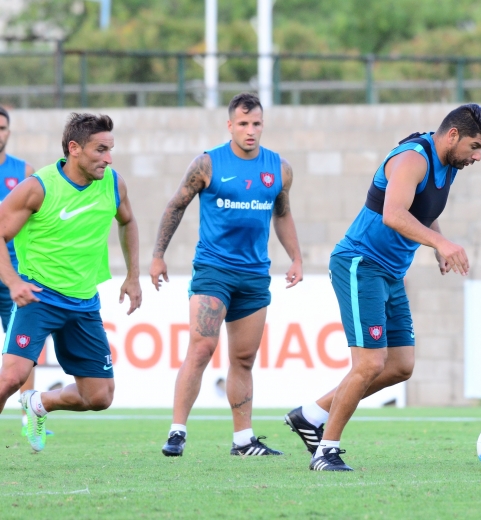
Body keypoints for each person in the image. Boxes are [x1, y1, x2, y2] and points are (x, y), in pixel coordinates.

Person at [284, 104, 481, 471]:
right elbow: (394, 214)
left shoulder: (450, 164)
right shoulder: (413, 159)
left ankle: (311, 415)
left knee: (400, 366)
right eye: (475, 147)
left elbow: (425, 210)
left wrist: (436, 244)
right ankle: (326, 451)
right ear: (453, 135)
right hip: (359, 263)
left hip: (391, 272)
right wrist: (440, 244)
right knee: (369, 363)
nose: (477, 156)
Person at [151, 93, 303, 458]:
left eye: (256, 124)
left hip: (254, 275)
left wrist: (296, 257)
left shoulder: (278, 168)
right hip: (213, 270)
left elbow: (281, 214)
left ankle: (243, 440)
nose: (250, 131)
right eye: (243, 124)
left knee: (244, 359)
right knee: (202, 347)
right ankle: (177, 432)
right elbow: (176, 204)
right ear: (230, 125)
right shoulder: (207, 164)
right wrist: (158, 256)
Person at [0, 112, 142, 452]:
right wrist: (13, 281)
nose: (108, 159)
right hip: (39, 297)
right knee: (10, 378)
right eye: (100, 150)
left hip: (83, 303)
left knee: (100, 397)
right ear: (74, 149)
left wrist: (133, 276)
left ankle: (40, 404)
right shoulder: (39, 187)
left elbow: (128, 221)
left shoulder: (112, 183)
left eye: (111, 150)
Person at [0, 107, 51, 438]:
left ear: (9, 131)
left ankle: (27, 416)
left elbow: (36, 226)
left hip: (13, 275)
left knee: (24, 348)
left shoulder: (25, 172)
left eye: (2, 127)